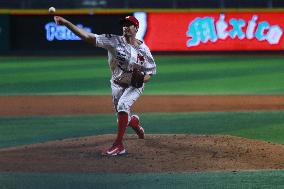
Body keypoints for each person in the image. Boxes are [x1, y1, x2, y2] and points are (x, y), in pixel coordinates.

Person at [54, 15, 156, 156]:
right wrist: (66, 23)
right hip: (116, 84)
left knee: (122, 106)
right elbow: (87, 37)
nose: (125, 27)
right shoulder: (113, 41)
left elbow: (150, 73)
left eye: (129, 24)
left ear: (136, 28)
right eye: (124, 24)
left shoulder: (144, 50)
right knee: (123, 118)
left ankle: (119, 145)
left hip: (134, 86)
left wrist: (142, 79)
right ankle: (133, 122)